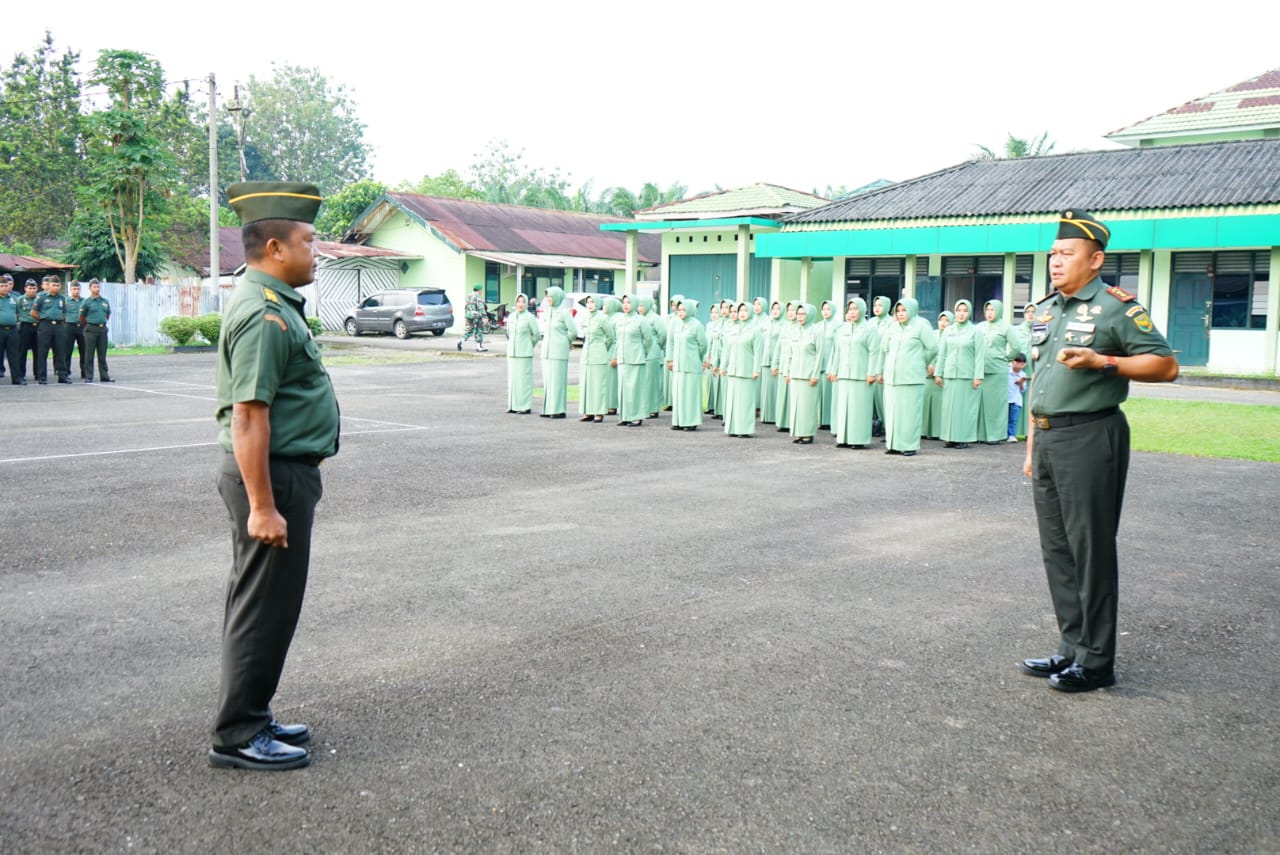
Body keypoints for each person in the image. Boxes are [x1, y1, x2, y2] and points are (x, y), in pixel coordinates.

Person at [1019, 209, 1178, 693]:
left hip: (1090, 435)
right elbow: (1040, 381)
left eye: (1067, 253)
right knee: (1058, 549)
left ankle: (1096, 660)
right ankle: (1071, 647)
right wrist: (1032, 446)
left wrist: (1103, 361)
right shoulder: (1047, 309)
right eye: (1053, 253)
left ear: (1095, 260)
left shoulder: (1115, 308)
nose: (1055, 261)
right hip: (1048, 437)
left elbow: (1165, 366)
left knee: (1090, 549)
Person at [209, 180, 339, 770]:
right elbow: (249, 416)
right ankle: (238, 734)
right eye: (309, 241)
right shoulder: (264, 314)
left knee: (267, 603)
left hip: (281, 472)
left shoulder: (275, 305)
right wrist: (263, 506)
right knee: (264, 607)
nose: (317, 251)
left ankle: (253, 715)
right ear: (275, 248)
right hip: (272, 476)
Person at [877, 297, 937, 456]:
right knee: (893, 413)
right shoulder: (892, 327)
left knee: (909, 414)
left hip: (911, 378)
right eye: (898, 311)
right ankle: (893, 444)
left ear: (911, 310)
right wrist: (880, 371)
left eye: (904, 310)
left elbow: (933, 348)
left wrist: (921, 361)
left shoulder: (921, 327)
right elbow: (884, 350)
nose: (901, 314)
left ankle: (909, 445)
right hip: (892, 378)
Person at [827, 298, 880, 449]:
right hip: (844, 375)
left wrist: (872, 373)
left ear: (862, 310)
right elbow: (836, 351)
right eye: (850, 309)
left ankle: (858, 440)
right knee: (844, 408)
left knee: (859, 409)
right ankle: (843, 438)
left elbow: (874, 352)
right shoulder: (842, 329)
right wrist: (832, 370)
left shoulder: (869, 329)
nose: (852, 312)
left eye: (855, 309)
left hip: (861, 375)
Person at [935, 301, 982, 449]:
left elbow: (979, 356)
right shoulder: (948, 330)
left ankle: (963, 438)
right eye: (959, 310)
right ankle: (950, 437)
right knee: (949, 408)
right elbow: (942, 353)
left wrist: (978, 376)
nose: (961, 313)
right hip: (949, 374)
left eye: (965, 310)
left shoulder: (975, 331)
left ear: (969, 313)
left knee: (964, 408)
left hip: (966, 375)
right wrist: (938, 373)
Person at [975, 299, 1015, 443]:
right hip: (981, 371)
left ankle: (995, 436)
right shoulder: (980, 327)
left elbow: (1017, 347)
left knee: (996, 405)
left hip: (998, 371)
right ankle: (979, 435)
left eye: (992, 310)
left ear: (999, 311)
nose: (989, 313)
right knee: (981, 404)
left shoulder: (1006, 327)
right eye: (987, 309)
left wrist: (1005, 359)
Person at [721, 302, 761, 438]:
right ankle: (733, 428)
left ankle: (744, 429)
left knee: (745, 402)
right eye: (740, 311)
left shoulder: (755, 330)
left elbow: (758, 352)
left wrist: (756, 370)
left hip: (746, 371)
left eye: (745, 310)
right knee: (733, 401)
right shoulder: (733, 329)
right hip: (733, 371)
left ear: (750, 312)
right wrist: (723, 366)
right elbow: (726, 350)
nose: (742, 313)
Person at [666, 298, 707, 431]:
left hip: (691, 366)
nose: (681, 312)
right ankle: (678, 420)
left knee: (690, 394)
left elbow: (703, 345)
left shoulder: (697, 325)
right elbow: (671, 342)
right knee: (679, 394)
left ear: (689, 310)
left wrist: (695, 357)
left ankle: (691, 422)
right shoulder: (676, 324)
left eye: (684, 310)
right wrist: (670, 359)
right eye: (679, 310)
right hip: (678, 366)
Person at [786, 303, 822, 445]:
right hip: (795, 374)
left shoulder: (816, 331)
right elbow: (789, 353)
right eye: (798, 314)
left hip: (809, 375)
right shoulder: (794, 330)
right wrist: (788, 371)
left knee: (807, 406)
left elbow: (819, 355)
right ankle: (798, 433)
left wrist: (815, 374)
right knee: (796, 406)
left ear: (810, 315)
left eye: (803, 314)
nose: (800, 317)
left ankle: (808, 434)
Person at [613, 294, 650, 426]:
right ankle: (625, 416)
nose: (626, 305)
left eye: (628, 302)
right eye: (624, 302)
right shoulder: (619, 320)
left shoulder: (640, 320)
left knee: (635, 389)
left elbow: (648, 340)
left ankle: (636, 416)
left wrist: (642, 352)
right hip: (622, 359)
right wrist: (616, 356)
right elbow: (617, 339)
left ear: (634, 304)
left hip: (636, 359)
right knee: (623, 389)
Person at [540, 286, 576, 418]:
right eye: (547, 296)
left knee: (557, 381)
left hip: (559, 351)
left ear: (557, 297)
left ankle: (558, 410)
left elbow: (573, 331)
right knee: (548, 381)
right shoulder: (546, 312)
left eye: (551, 296)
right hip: (546, 352)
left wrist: (565, 341)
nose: (549, 299)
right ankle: (547, 409)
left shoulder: (564, 313)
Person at [577, 295, 614, 422]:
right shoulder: (585, 318)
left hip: (598, 354)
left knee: (598, 384)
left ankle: (599, 412)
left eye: (592, 302)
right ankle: (587, 411)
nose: (590, 304)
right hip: (586, 354)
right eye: (588, 302)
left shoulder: (603, 318)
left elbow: (610, 337)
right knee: (586, 383)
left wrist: (602, 348)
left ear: (597, 303)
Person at [32, 274, 70, 384]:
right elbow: (33, 312)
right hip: (45, 325)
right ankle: (42, 377)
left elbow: (64, 313)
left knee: (60, 351)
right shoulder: (41, 297)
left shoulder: (62, 298)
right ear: (48, 285)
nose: (56, 287)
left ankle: (62, 376)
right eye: (54, 285)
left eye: (58, 285)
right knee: (42, 352)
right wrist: (43, 319)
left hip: (58, 326)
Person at [506, 293, 540, 415]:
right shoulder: (511, 316)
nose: (520, 304)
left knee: (524, 381)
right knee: (513, 380)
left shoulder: (530, 317)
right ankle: (513, 405)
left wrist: (529, 345)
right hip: (512, 353)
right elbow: (509, 333)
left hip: (524, 353)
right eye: (518, 301)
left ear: (526, 304)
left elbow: (536, 334)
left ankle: (525, 406)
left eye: (523, 302)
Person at [921, 311, 949, 441]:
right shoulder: (933, 334)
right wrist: (928, 365)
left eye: (946, 320)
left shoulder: (951, 336)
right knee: (925, 402)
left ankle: (938, 432)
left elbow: (945, 354)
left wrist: (937, 368)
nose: (943, 323)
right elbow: (926, 350)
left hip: (942, 374)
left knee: (939, 405)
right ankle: (924, 430)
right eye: (941, 320)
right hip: (928, 373)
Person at [79, 279, 114, 382]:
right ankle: (89, 376)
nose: (97, 289)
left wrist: (101, 321)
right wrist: (90, 323)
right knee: (89, 354)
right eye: (94, 287)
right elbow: (81, 317)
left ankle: (104, 376)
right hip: (91, 329)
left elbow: (107, 315)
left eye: (98, 287)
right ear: (90, 288)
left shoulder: (105, 301)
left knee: (102, 354)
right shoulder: (87, 302)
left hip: (102, 329)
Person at [759, 301, 781, 424]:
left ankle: (775, 416)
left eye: (778, 309)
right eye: (774, 309)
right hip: (765, 360)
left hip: (776, 362)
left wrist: (777, 363)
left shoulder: (784, 325)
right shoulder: (766, 323)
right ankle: (765, 416)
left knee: (775, 390)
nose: (775, 311)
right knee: (766, 390)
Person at [15, 279, 38, 383]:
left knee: (38, 352)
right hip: (25, 326)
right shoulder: (20, 300)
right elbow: (16, 313)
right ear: (25, 288)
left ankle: (38, 373)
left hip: (37, 326)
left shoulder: (39, 299)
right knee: (22, 352)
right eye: (30, 288)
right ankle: (21, 374)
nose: (32, 290)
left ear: (37, 288)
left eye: (34, 288)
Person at [63, 280, 86, 380]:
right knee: (67, 351)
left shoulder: (84, 301)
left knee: (84, 351)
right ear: (70, 290)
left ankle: (85, 372)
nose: (76, 291)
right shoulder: (66, 301)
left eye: (78, 289)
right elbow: (62, 314)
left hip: (81, 326)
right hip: (69, 326)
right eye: (74, 289)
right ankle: (66, 372)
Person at [458, 284, 488, 352]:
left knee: (470, 330)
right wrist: (485, 316)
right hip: (476, 316)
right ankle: (479, 347)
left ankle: (461, 341)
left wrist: (467, 314)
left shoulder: (468, 296)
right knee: (479, 330)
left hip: (469, 315)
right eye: (481, 290)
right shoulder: (478, 296)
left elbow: (466, 306)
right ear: (479, 290)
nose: (481, 291)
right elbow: (481, 307)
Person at [0, 275, 18, 382]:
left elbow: (18, 313)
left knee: (14, 354)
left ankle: (17, 378)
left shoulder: (14, 298)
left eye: (6, 286)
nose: (5, 288)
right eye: (2, 286)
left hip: (12, 330)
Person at [1007, 353, 1028, 442]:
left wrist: (1020, 383)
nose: (1019, 365)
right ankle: (1002, 435)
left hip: (1016, 400)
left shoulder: (1023, 374)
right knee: (1002, 418)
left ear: (1025, 364)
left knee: (1013, 419)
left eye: (1022, 363)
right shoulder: (1006, 371)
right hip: (1005, 399)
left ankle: (1011, 435)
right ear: (1012, 362)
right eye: (1017, 362)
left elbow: (1022, 390)